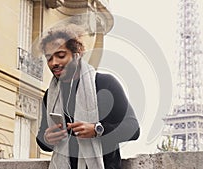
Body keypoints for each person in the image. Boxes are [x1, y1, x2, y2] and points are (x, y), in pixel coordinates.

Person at [36, 24, 140, 169]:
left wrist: (97, 130)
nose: (54, 63)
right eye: (49, 58)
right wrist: (47, 138)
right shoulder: (50, 95)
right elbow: (43, 140)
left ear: (77, 55)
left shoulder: (105, 83)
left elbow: (133, 129)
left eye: (60, 55)